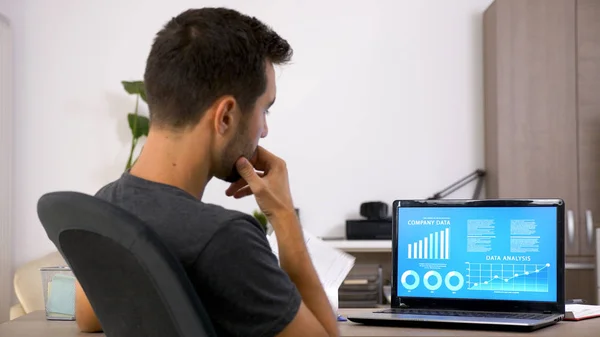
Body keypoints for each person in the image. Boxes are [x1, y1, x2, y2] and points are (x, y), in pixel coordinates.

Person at [74, 7, 339, 337]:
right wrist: (283, 213)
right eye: (264, 110)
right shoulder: (225, 239)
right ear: (226, 116)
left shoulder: (106, 207)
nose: (264, 131)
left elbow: (88, 319)